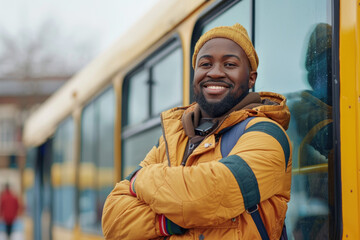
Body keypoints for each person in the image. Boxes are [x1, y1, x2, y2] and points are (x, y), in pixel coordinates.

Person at [102, 23, 292, 240]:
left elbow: (203, 198)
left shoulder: (267, 134)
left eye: (229, 64)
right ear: (195, 74)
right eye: (205, 64)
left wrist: (140, 179)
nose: (215, 72)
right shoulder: (173, 138)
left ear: (251, 78)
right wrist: (165, 222)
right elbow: (113, 220)